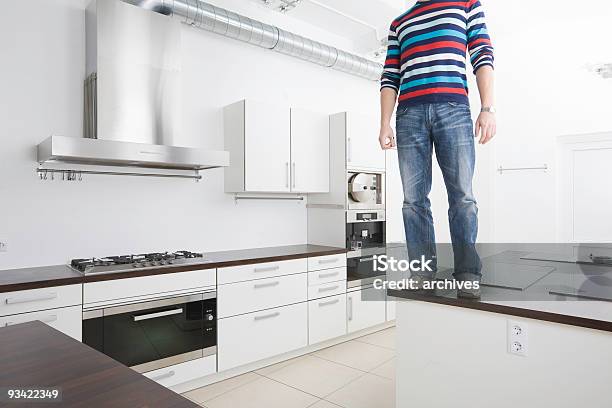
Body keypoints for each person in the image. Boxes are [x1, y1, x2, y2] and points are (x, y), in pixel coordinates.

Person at [379, 0, 496, 298]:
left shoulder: (466, 4)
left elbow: (482, 54)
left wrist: (487, 108)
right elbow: (390, 75)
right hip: (409, 115)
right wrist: (384, 123)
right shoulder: (399, 22)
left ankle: (468, 272)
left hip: (453, 108)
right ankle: (422, 271)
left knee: (463, 196)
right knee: (413, 200)